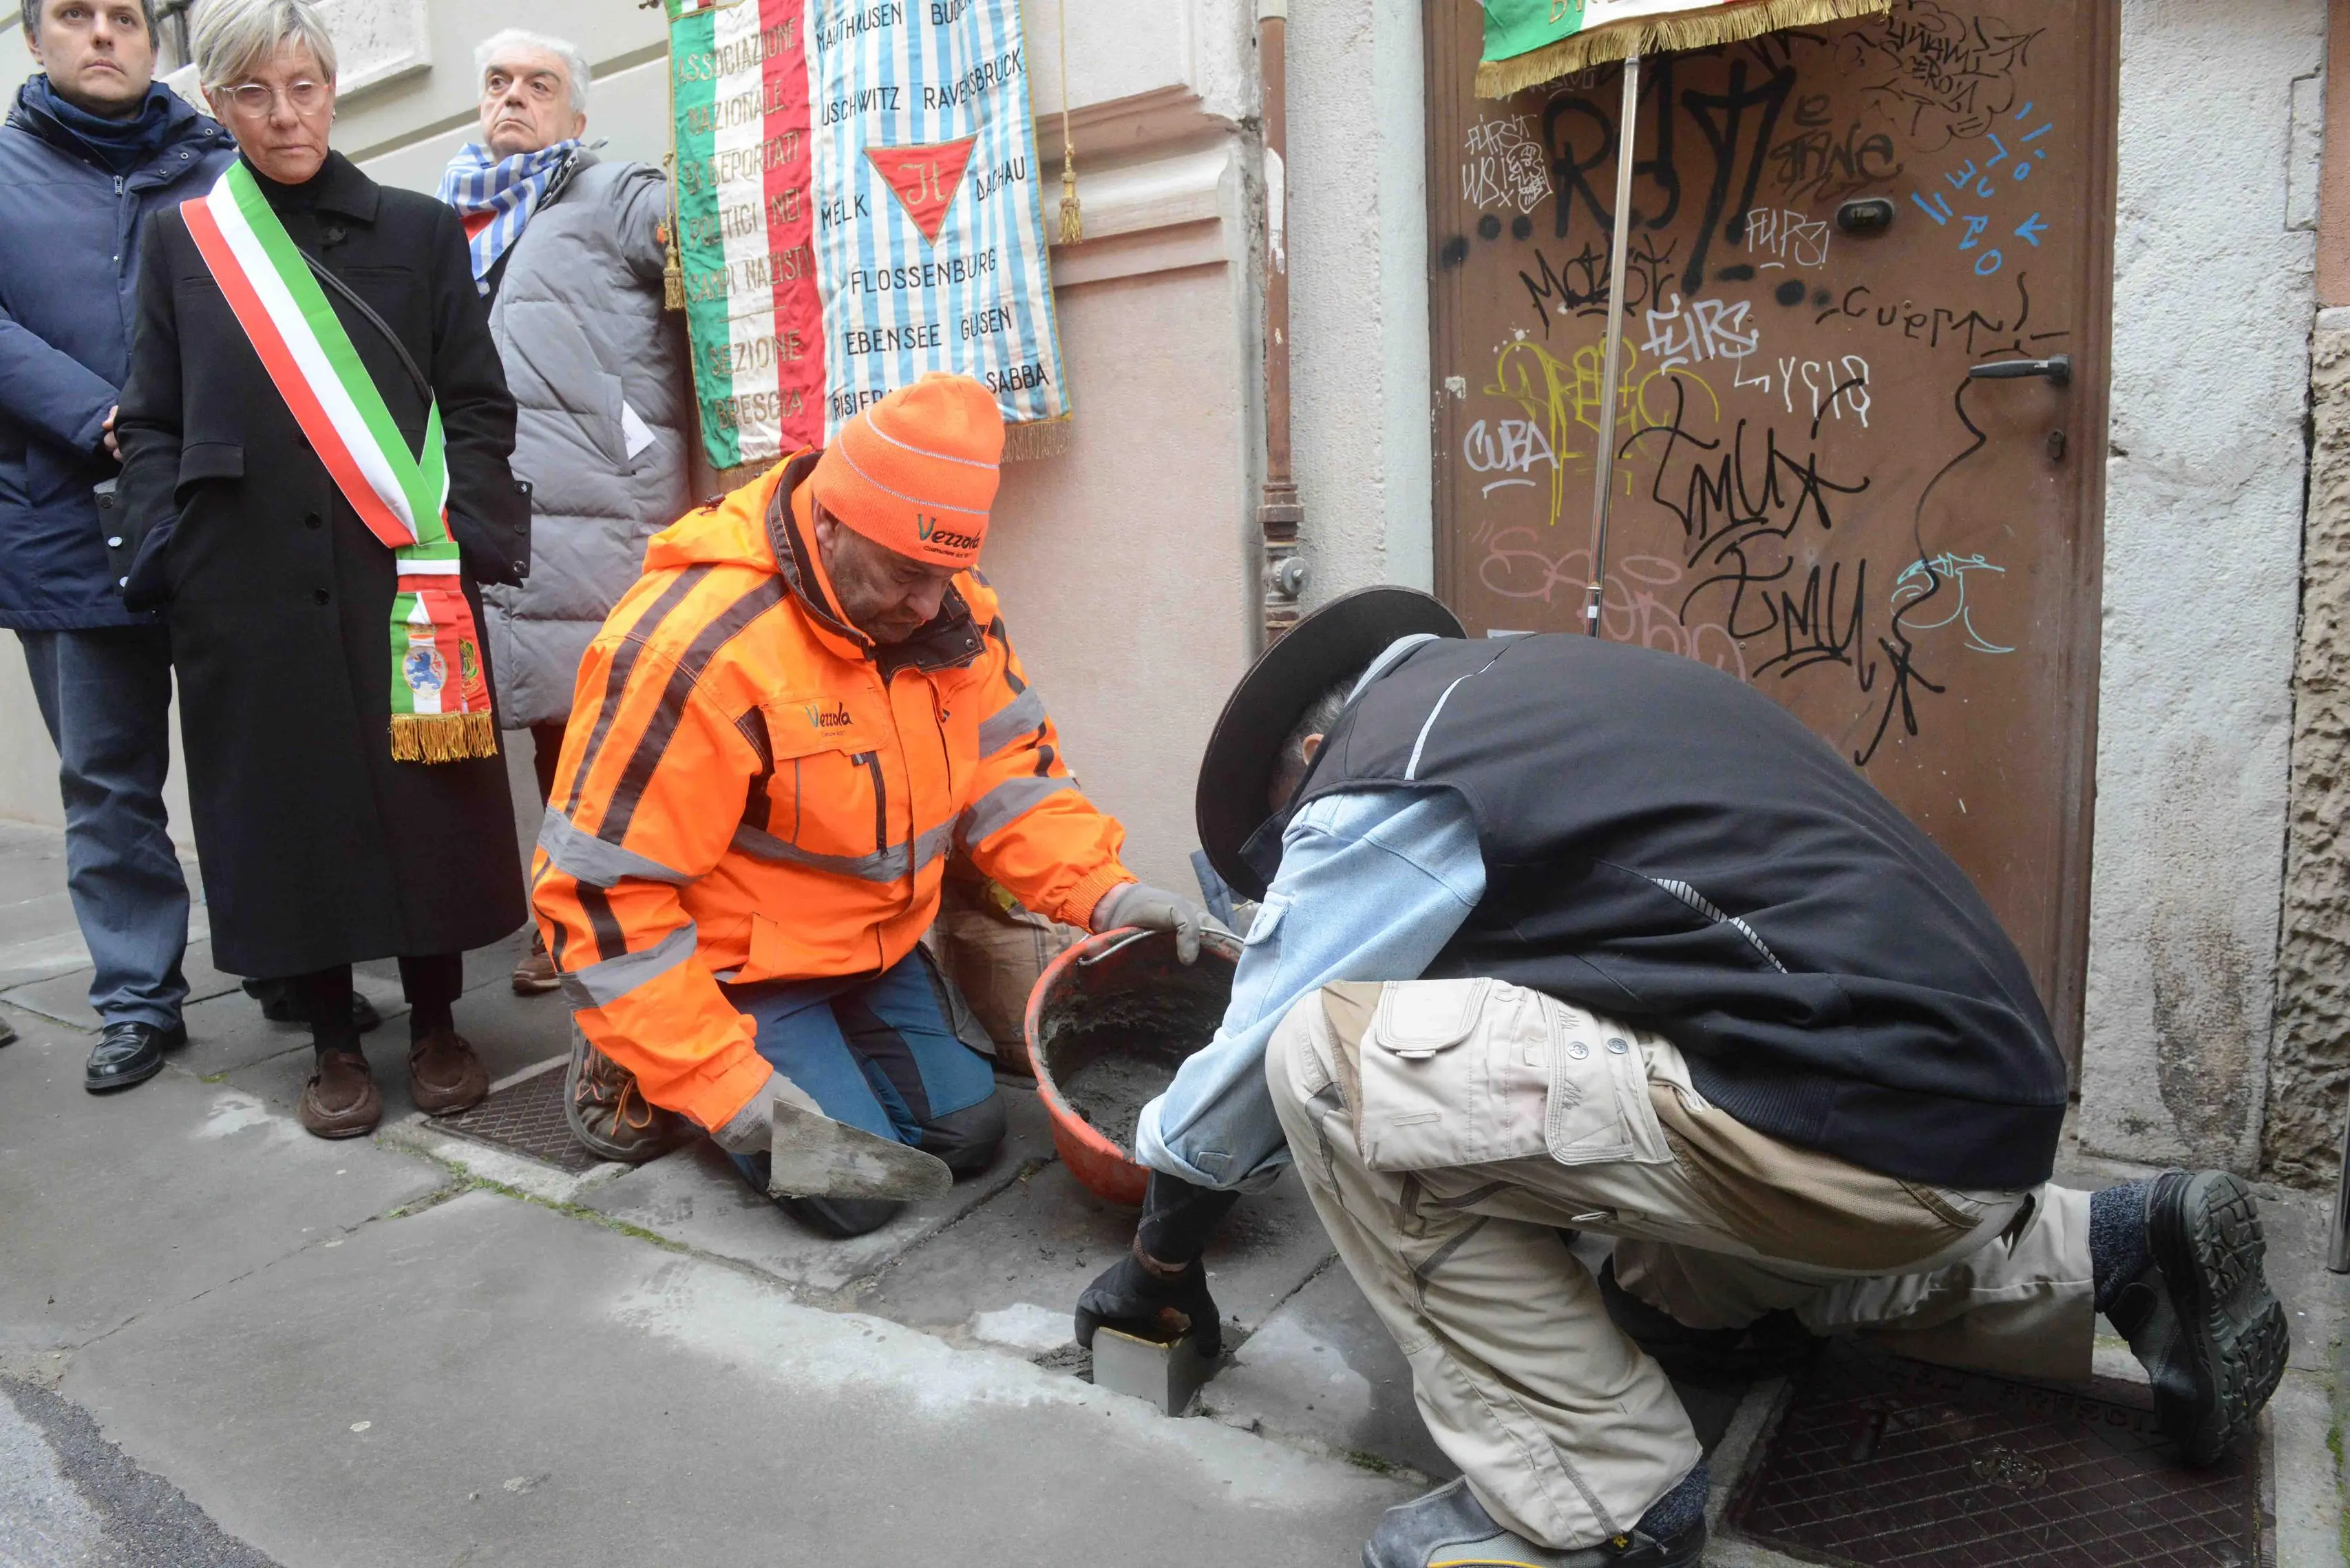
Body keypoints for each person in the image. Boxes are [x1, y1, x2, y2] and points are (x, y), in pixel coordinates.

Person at [1075, 589, 2291, 1568]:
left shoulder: (1384, 774)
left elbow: (1251, 1057)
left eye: (1283, 842)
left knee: (1325, 1059)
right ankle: (2109, 1251)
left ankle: (1597, 1497)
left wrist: (1158, 1262)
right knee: (1669, 1297)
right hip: (1961, 1118)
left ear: (1304, 753)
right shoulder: (1560, 691)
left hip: (1837, 1139)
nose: (1295, 867)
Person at [531, 372, 1207, 1233]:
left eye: (948, 573)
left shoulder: (949, 610)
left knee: (968, 1138)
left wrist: (1105, 893)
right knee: (857, 1196)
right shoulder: (693, 648)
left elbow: (1010, 775)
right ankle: (630, 1056)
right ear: (829, 521)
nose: (932, 604)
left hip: (868, 949)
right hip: (735, 969)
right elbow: (597, 899)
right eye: (905, 573)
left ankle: (791, 1050)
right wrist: (724, 1086)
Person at [114, 0, 532, 1139]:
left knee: (424, 799)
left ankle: (440, 1017)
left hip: (405, 574)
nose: (283, 112)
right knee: (290, 808)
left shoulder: (417, 229)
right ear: (217, 103)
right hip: (241, 585)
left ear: (331, 90)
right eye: (252, 92)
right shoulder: (182, 241)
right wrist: (168, 553)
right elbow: (149, 417)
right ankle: (331, 1040)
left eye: (302, 85)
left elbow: (478, 401)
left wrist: (471, 525)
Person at [0, 0, 232, 1092]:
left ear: (154, 43)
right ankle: (139, 997)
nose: (103, 35)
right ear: (35, 40)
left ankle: (283, 955)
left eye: (125, 18)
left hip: (218, 513)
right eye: (75, 16)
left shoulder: (220, 161)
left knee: (253, 752)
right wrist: (108, 413)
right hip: (62, 521)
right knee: (105, 776)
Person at [436, 29, 692, 1006]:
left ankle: (590, 917)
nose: (514, 99)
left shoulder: (609, 190)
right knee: (492, 724)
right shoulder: (448, 217)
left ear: (576, 116)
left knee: (581, 731)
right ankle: (540, 913)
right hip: (478, 509)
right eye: (497, 81)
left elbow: (690, 224)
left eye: (539, 84)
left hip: (594, 508)